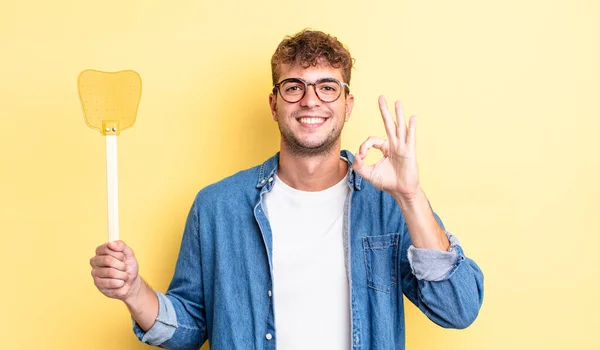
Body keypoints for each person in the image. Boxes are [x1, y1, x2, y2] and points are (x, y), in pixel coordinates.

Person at [90, 29, 484, 350]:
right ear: (274, 103)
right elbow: (191, 327)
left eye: (327, 87)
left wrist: (411, 197)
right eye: (293, 87)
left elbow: (458, 308)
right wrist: (133, 290)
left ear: (347, 104)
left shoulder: (388, 205)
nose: (310, 99)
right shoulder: (217, 207)